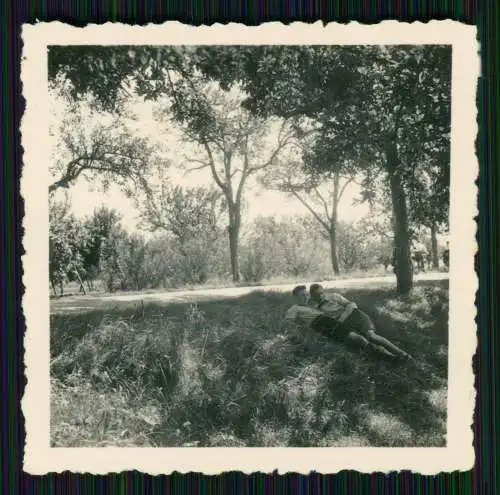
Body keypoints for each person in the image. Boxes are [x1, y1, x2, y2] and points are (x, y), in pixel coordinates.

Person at [285, 286, 410, 360]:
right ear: (313, 297)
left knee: (372, 336)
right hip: (342, 325)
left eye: (322, 292)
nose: (321, 295)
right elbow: (296, 322)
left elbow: (351, 305)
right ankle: (390, 357)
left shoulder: (334, 296)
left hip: (356, 317)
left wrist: (342, 317)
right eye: (317, 295)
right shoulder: (314, 308)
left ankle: (401, 354)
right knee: (363, 341)